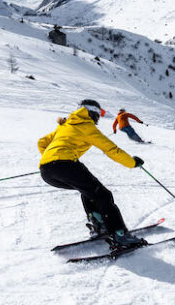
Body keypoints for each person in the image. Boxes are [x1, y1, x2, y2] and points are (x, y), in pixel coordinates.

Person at [38, 99, 147, 250]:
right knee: (103, 195)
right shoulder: (87, 126)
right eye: (98, 114)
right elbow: (111, 149)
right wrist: (132, 163)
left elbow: (42, 142)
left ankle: (99, 225)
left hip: (46, 171)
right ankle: (120, 236)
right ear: (94, 113)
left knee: (89, 191)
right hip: (65, 165)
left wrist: (51, 160)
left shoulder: (66, 125)